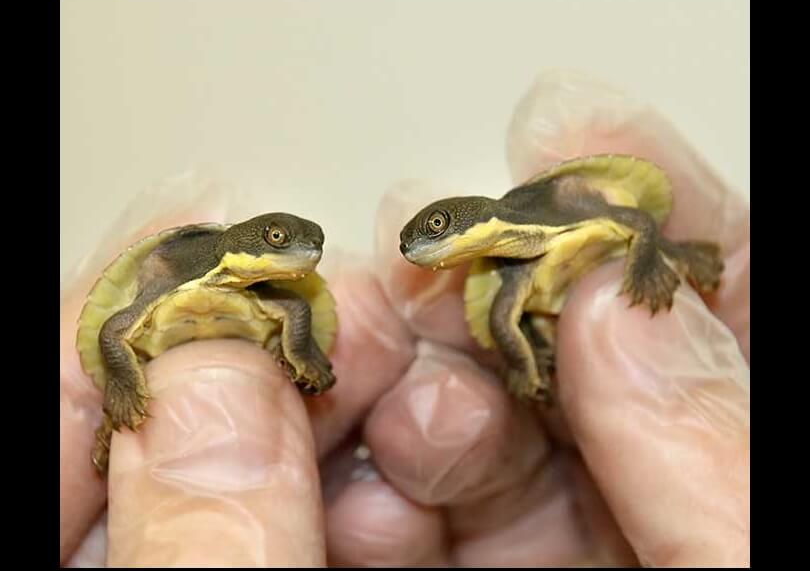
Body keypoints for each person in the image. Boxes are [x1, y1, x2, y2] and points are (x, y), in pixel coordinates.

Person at [60, 71, 750, 567]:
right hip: (175, 343)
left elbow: (631, 218)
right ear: (245, 244)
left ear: (481, 219)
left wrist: (655, 257)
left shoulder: (547, 219)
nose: (299, 255)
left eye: (303, 247)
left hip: (578, 265)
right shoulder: (182, 275)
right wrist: (521, 355)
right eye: (281, 244)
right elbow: (116, 332)